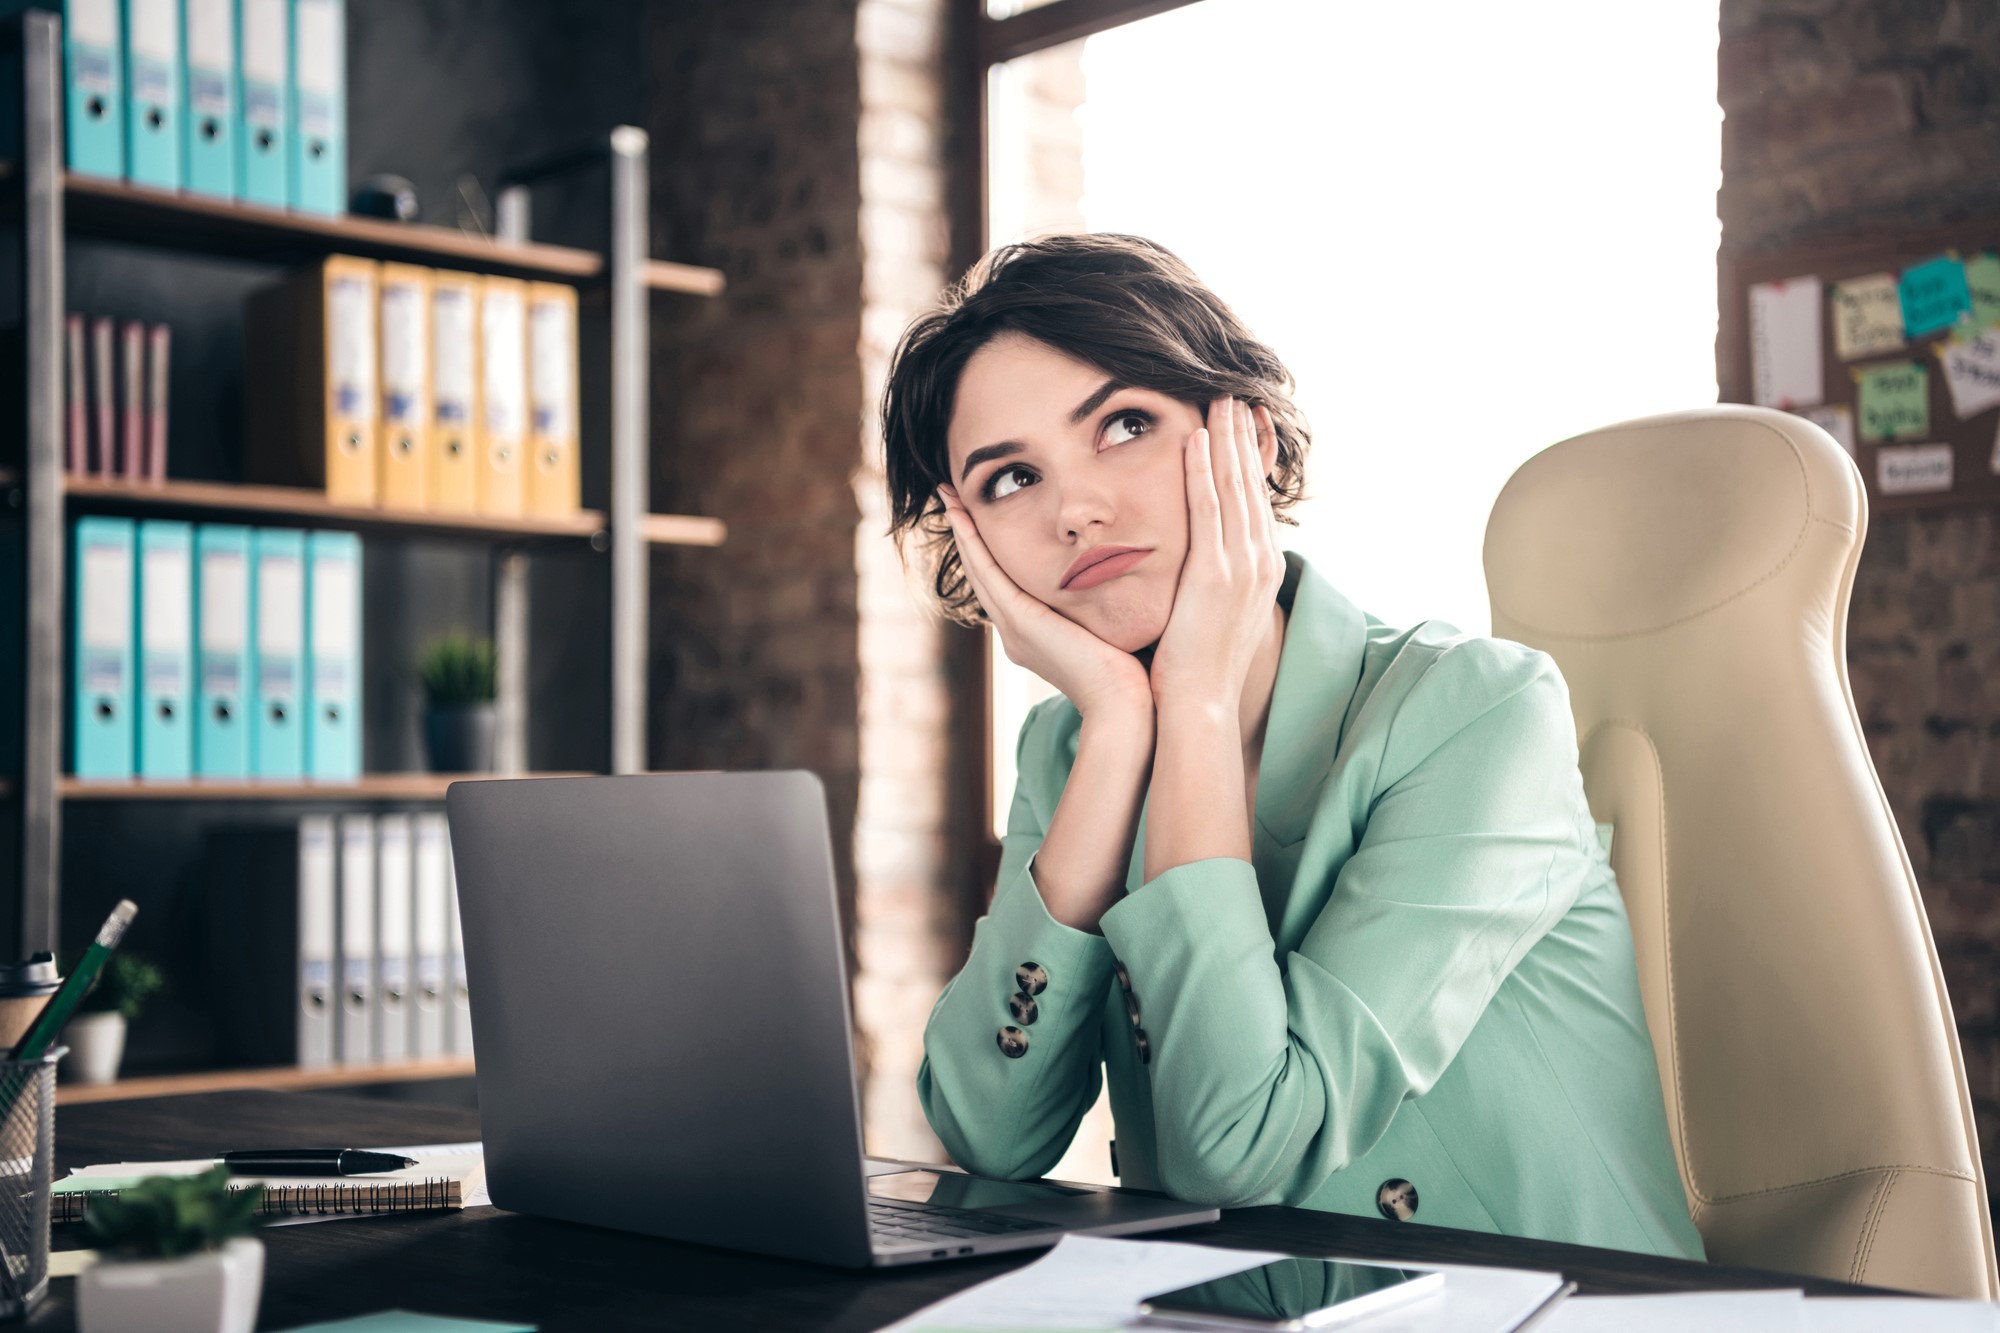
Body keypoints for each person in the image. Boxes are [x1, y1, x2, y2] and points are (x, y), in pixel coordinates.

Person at [879, 233, 1704, 1260]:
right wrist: (1123, 727)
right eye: (1007, 481)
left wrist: (1195, 708)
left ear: (1251, 443)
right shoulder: (1071, 746)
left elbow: (1238, 1151)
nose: (1075, 511)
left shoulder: (1473, 709)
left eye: (1123, 424)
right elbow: (991, 1133)